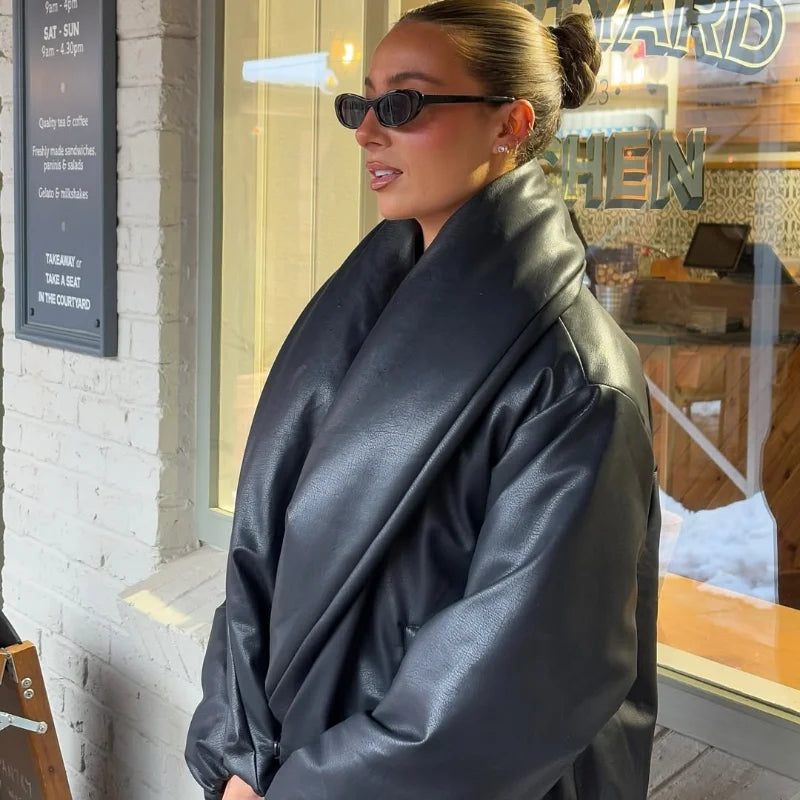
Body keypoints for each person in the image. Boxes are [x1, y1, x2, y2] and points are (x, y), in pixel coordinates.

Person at [185, 2, 661, 798]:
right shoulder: (355, 316)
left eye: (403, 103)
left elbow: (514, 690)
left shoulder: (574, 381)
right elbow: (261, 556)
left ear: (509, 123)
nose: (368, 132)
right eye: (359, 103)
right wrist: (239, 754)